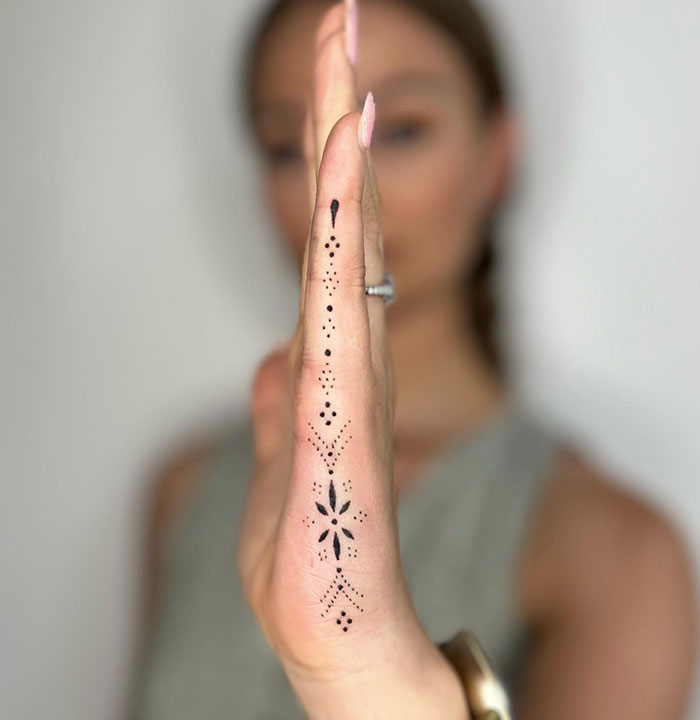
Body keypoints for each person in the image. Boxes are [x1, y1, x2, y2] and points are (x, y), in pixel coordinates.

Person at [131, 1, 698, 717]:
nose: (342, 182)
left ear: (496, 154)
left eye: (398, 130)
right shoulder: (187, 490)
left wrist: (369, 677)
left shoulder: (615, 550)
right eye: (288, 145)